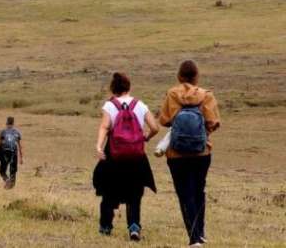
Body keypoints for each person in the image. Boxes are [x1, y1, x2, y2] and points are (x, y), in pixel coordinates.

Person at [158, 61, 220, 247]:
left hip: (176, 154)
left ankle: (193, 238)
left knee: (184, 193)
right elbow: (214, 122)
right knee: (198, 190)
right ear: (196, 77)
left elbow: (163, 120)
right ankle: (200, 232)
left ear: (179, 76)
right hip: (202, 152)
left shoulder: (171, 94)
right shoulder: (207, 96)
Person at [93, 72, 159, 242]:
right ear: (129, 87)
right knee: (135, 194)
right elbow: (155, 127)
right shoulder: (140, 105)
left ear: (113, 88)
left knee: (108, 191)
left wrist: (99, 146)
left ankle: (106, 227)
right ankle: (134, 227)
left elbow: (104, 127)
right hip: (136, 157)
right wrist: (146, 137)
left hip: (114, 157)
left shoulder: (110, 105)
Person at [0, 116, 23, 189]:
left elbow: (0, 145)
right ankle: (11, 185)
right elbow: (19, 146)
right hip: (14, 152)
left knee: (2, 170)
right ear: (13, 123)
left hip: (5, 152)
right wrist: (21, 157)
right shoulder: (17, 132)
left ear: (6, 123)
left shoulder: (3, 132)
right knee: (13, 170)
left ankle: (7, 180)